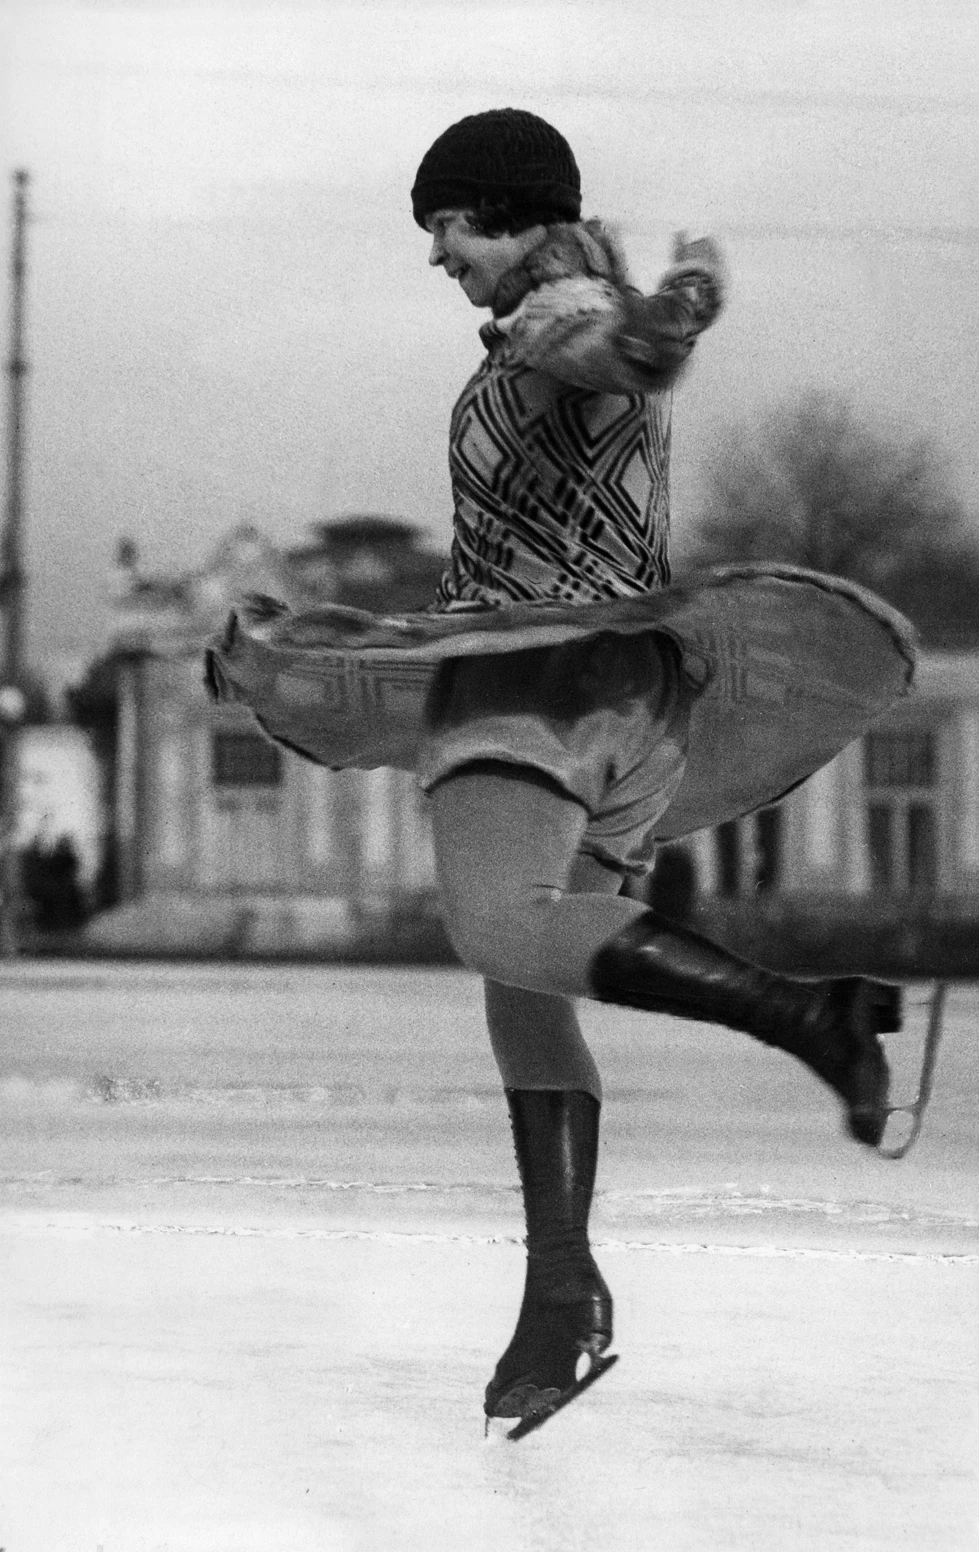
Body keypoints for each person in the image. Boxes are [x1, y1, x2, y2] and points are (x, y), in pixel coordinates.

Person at [208, 106, 915, 1438]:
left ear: (510, 214)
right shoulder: (547, 316)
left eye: (449, 227)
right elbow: (626, 357)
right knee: (525, 984)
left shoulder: (553, 311)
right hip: (632, 705)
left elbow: (630, 350)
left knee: (500, 926)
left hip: (537, 693)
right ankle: (562, 1306)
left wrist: (681, 303)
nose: (439, 258)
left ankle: (803, 1017)